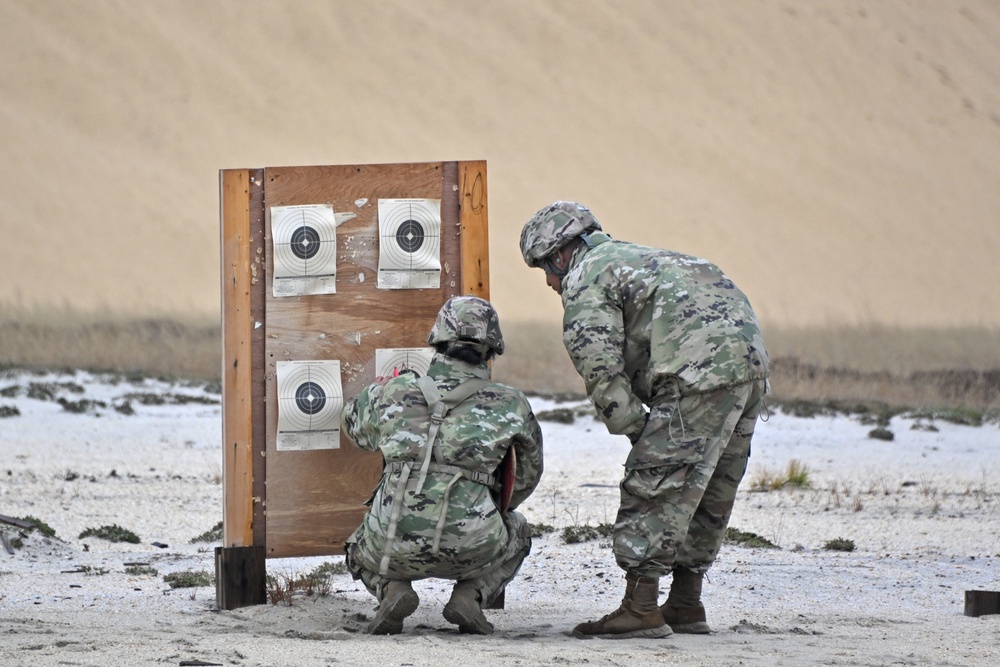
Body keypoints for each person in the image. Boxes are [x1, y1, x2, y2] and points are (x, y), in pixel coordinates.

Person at [519, 201, 770, 640]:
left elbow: (599, 368)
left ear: (561, 254)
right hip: (749, 373)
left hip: (695, 375)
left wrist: (639, 432)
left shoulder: (589, 275)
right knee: (709, 487)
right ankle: (686, 603)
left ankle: (640, 608)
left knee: (652, 486)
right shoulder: (647, 258)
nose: (549, 282)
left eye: (545, 268)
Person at [342, 295, 543, 636]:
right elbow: (526, 477)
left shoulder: (393, 391)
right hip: (475, 546)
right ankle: (469, 596)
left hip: (391, 545)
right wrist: (491, 509)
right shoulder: (512, 403)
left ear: (437, 340)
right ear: (492, 348)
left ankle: (393, 592)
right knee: (519, 531)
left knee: (356, 545)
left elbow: (355, 430)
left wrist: (376, 390)